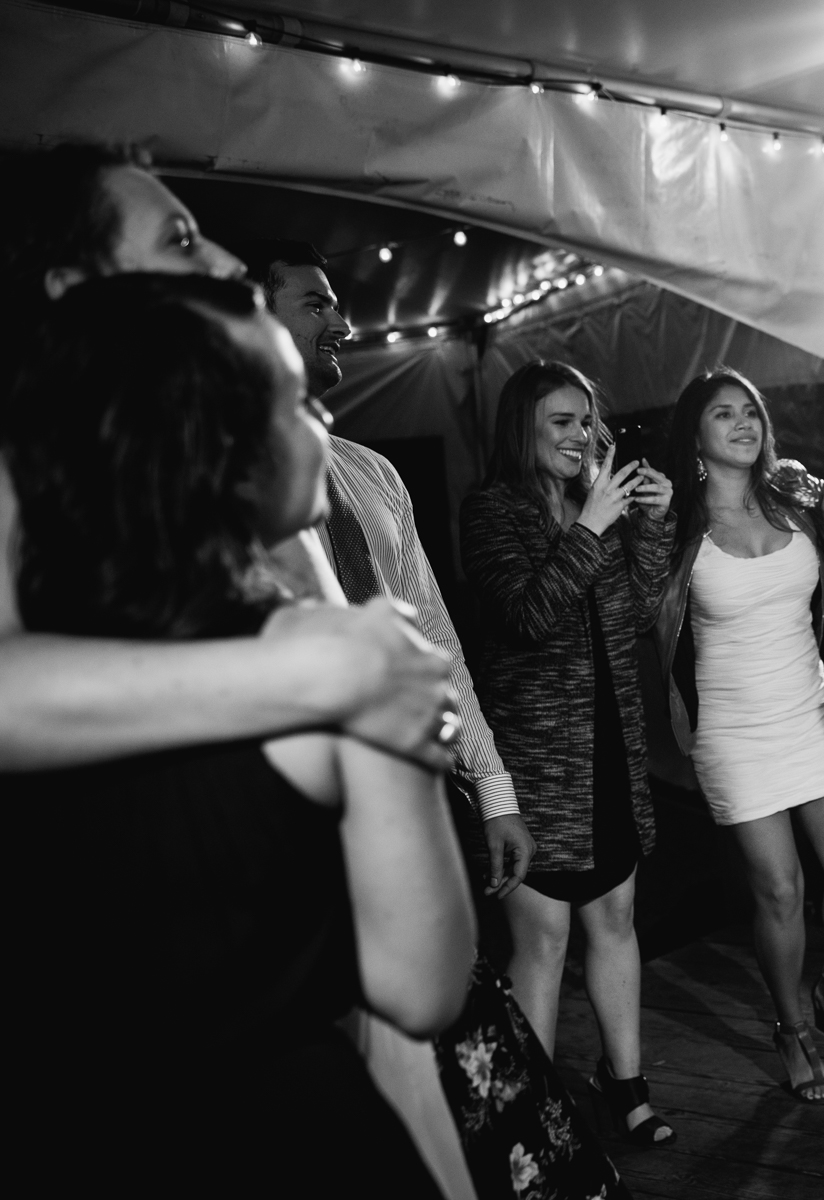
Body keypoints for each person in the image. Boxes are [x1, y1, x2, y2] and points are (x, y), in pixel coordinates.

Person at [5, 274, 475, 1197]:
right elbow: (424, 984)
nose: (320, 425)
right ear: (227, 451)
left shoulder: (38, 671)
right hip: (287, 1140)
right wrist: (414, 738)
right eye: (297, 400)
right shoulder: (346, 669)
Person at [0, 143, 457, 781]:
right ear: (78, 290)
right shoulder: (17, 451)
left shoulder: (196, 454)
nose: (229, 263)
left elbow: (331, 638)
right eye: (181, 242)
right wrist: (328, 672)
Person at [239, 238, 535, 898]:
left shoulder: (374, 474)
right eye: (316, 306)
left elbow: (433, 635)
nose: (342, 327)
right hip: (283, 807)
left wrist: (492, 788)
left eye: (338, 309)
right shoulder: (204, 469)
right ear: (252, 314)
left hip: (409, 787)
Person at [460, 360, 678, 1145]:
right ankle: (539, 1118)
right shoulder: (491, 511)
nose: (581, 435)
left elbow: (643, 609)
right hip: (538, 761)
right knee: (543, 940)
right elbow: (527, 617)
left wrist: (649, 524)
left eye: (588, 421)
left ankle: (627, 1088)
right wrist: (589, 527)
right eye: (561, 421)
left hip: (611, 749)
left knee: (616, 916)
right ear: (524, 427)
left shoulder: (600, 508)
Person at [654, 367, 824, 1103]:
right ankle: (791, 1028)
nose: (744, 423)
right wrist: (644, 527)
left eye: (750, 410)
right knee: (780, 891)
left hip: (811, 707)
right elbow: (638, 615)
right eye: (724, 414)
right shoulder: (676, 524)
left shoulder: (796, 500)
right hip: (732, 729)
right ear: (696, 434)